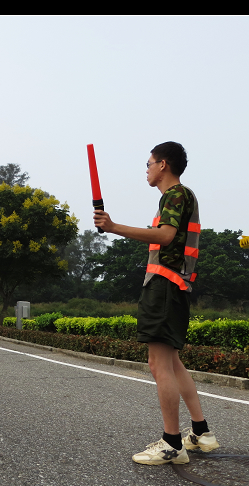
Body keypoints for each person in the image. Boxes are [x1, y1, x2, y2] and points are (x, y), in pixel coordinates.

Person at [93, 141, 218, 465]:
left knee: (158, 365)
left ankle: (171, 444)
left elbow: (164, 236)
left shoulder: (175, 195)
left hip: (164, 287)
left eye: (149, 164)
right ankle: (201, 433)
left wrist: (114, 227)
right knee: (173, 364)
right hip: (175, 287)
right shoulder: (182, 197)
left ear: (163, 164)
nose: (146, 170)